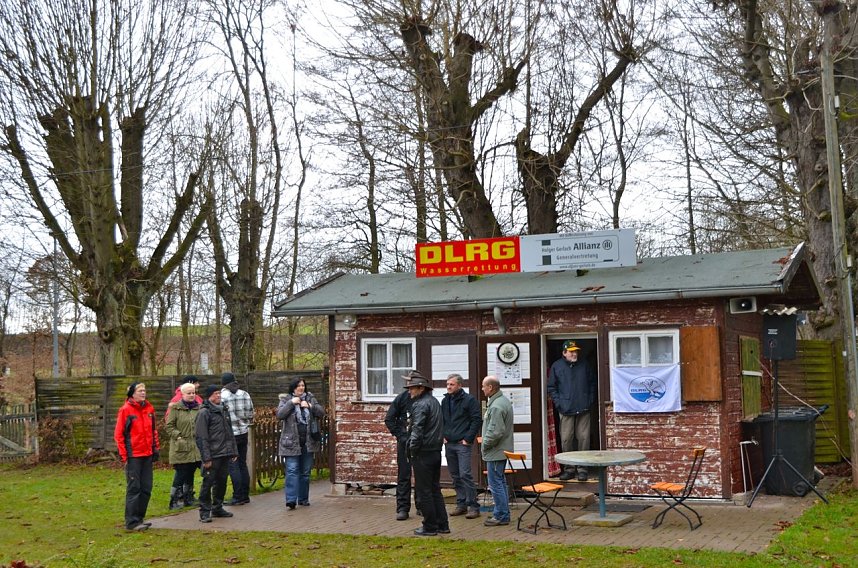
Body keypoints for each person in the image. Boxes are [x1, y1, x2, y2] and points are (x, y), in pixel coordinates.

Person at [404, 370, 449, 537]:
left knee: (424, 492)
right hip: (435, 451)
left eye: (412, 388)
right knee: (434, 489)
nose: (409, 391)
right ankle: (442, 524)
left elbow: (417, 431)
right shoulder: (434, 402)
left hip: (423, 452)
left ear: (421, 388)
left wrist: (411, 452)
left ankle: (430, 526)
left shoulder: (420, 405)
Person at [547, 340, 597, 481]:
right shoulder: (557, 366)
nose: (574, 353)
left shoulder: (584, 364)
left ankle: (582, 469)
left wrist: (589, 399)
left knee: (584, 439)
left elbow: (593, 383)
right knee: (566, 439)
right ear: (564, 353)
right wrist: (559, 404)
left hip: (583, 407)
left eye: (575, 351)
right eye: (571, 351)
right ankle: (569, 469)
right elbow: (551, 388)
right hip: (565, 409)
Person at [114, 382, 160, 531]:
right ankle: (131, 522)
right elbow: (119, 434)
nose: (143, 393)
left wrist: (155, 448)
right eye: (140, 390)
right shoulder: (125, 410)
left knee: (146, 488)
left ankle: (140, 518)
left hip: (147, 454)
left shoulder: (149, 409)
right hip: (134, 455)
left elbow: (154, 431)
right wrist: (124, 456)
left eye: (144, 390)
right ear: (132, 393)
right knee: (134, 488)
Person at [276, 377, 326, 510]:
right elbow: (280, 415)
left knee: (305, 472)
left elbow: (321, 412)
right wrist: (291, 403)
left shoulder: (310, 398)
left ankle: (303, 499)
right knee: (292, 470)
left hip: (308, 442)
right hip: (291, 442)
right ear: (293, 387)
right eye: (298, 386)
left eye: (303, 385)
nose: (301, 388)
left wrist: (310, 406)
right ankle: (291, 500)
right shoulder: (286, 400)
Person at [195, 384, 238, 523]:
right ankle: (204, 511)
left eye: (219, 393)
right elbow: (201, 437)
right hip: (212, 454)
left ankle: (217, 507)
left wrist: (233, 450)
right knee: (208, 483)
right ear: (209, 396)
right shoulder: (204, 413)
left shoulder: (223, 410)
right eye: (215, 394)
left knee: (222, 482)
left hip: (224, 453)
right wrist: (206, 458)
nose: (218, 396)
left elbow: (230, 432)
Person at [441, 373, 482, 519]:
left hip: (462, 444)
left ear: (459, 385)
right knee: (455, 476)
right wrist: (443, 435)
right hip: (449, 443)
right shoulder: (445, 401)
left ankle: (473, 506)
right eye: (447, 384)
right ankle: (461, 504)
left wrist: (468, 439)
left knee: (465, 474)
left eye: (451, 384)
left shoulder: (469, 400)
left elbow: (476, 420)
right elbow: (442, 419)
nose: (448, 387)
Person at [480, 375, 513, 527]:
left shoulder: (496, 406)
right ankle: (503, 513)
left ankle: (501, 515)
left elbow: (495, 432)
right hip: (500, 450)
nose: (482, 389)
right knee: (500, 481)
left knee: (495, 483)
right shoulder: (502, 401)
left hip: (495, 451)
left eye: (483, 386)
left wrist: (485, 444)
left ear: (490, 387)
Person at [385, 380, 419, 521]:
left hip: (421, 443)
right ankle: (403, 508)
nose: (410, 389)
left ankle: (422, 506)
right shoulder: (401, 398)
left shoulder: (426, 399)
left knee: (422, 476)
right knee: (404, 476)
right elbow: (389, 419)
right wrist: (401, 436)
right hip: (405, 443)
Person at [165, 382, 202, 509]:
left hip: (196, 446)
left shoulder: (199, 408)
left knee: (191, 472)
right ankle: (174, 500)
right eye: (189, 393)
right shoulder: (175, 408)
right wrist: (179, 436)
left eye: (193, 393)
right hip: (181, 447)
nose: (192, 395)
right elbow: (169, 426)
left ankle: (188, 497)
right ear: (182, 394)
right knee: (181, 473)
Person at [221, 372, 254, 505]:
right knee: (242, 464)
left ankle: (237, 496)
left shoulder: (222, 396)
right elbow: (251, 413)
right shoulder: (245, 394)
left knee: (232, 465)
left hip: (230, 435)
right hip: (244, 432)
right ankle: (245, 495)